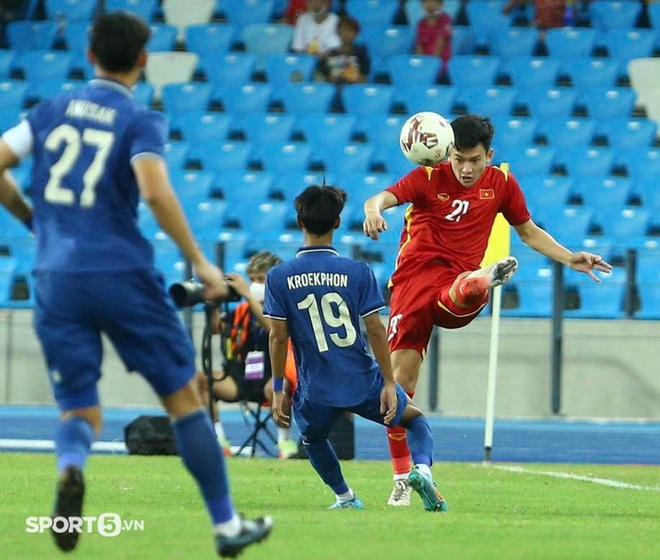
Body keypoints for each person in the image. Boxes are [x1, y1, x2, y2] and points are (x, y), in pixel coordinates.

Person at [0, 11, 272, 556]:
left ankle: (72, 467)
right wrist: (199, 261)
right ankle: (225, 526)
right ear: (143, 61)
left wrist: (35, 221)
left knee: (78, 407)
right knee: (184, 397)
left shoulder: (48, 111)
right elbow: (153, 190)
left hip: (55, 276)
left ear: (88, 55)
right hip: (119, 271)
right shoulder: (138, 119)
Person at [362, 114, 613, 506]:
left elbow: (528, 231)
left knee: (464, 291)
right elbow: (380, 198)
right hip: (412, 284)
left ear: (489, 156)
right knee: (398, 387)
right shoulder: (429, 177)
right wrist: (374, 210)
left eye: (474, 160)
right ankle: (402, 481)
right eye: (459, 158)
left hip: (454, 288)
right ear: (447, 153)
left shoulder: (502, 184)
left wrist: (569, 258)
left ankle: (481, 280)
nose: (465, 168)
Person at [264, 185, 448, 512]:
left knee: (313, 440)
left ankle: (346, 498)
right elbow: (375, 330)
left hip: (315, 387)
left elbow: (278, 338)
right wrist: (389, 383)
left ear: (298, 222)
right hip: (363, 381)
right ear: (337, 223)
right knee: (416, 421)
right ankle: (420, 470)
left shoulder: (279, 276)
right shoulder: (358, 272)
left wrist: (279, 387)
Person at [196, 250, 299, 459]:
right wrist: (213, 304)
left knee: (278, 386)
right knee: (201, 380)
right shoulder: (242, 311)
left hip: (274, 378)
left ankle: (284, 442)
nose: (254, 284)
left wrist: (247, 294)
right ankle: (219, 439)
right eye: (251, 280)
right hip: (241, 377)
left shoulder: (284, 308)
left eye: (261, 279)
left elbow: (272, 328)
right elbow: (216, 329)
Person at [315, 15, 370, 84]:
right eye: (344, 30)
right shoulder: (331, 53)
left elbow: (364, 74)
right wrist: (330, 77)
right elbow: (325, 74)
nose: (346, 34)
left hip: (353, 87)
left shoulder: (361, 52)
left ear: (356, 34)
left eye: (350, 31)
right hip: (335, 87)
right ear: (338, 33)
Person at [414, 0, 453, 81]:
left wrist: (431, 67)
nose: (430, 5)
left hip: (442, 68)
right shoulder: (421, 23)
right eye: (426, 2)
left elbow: (440, 44)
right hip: (425, 66)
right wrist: (421, 65)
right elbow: (420, 46)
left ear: (441, 4)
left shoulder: (445, 19)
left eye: (434, 2)